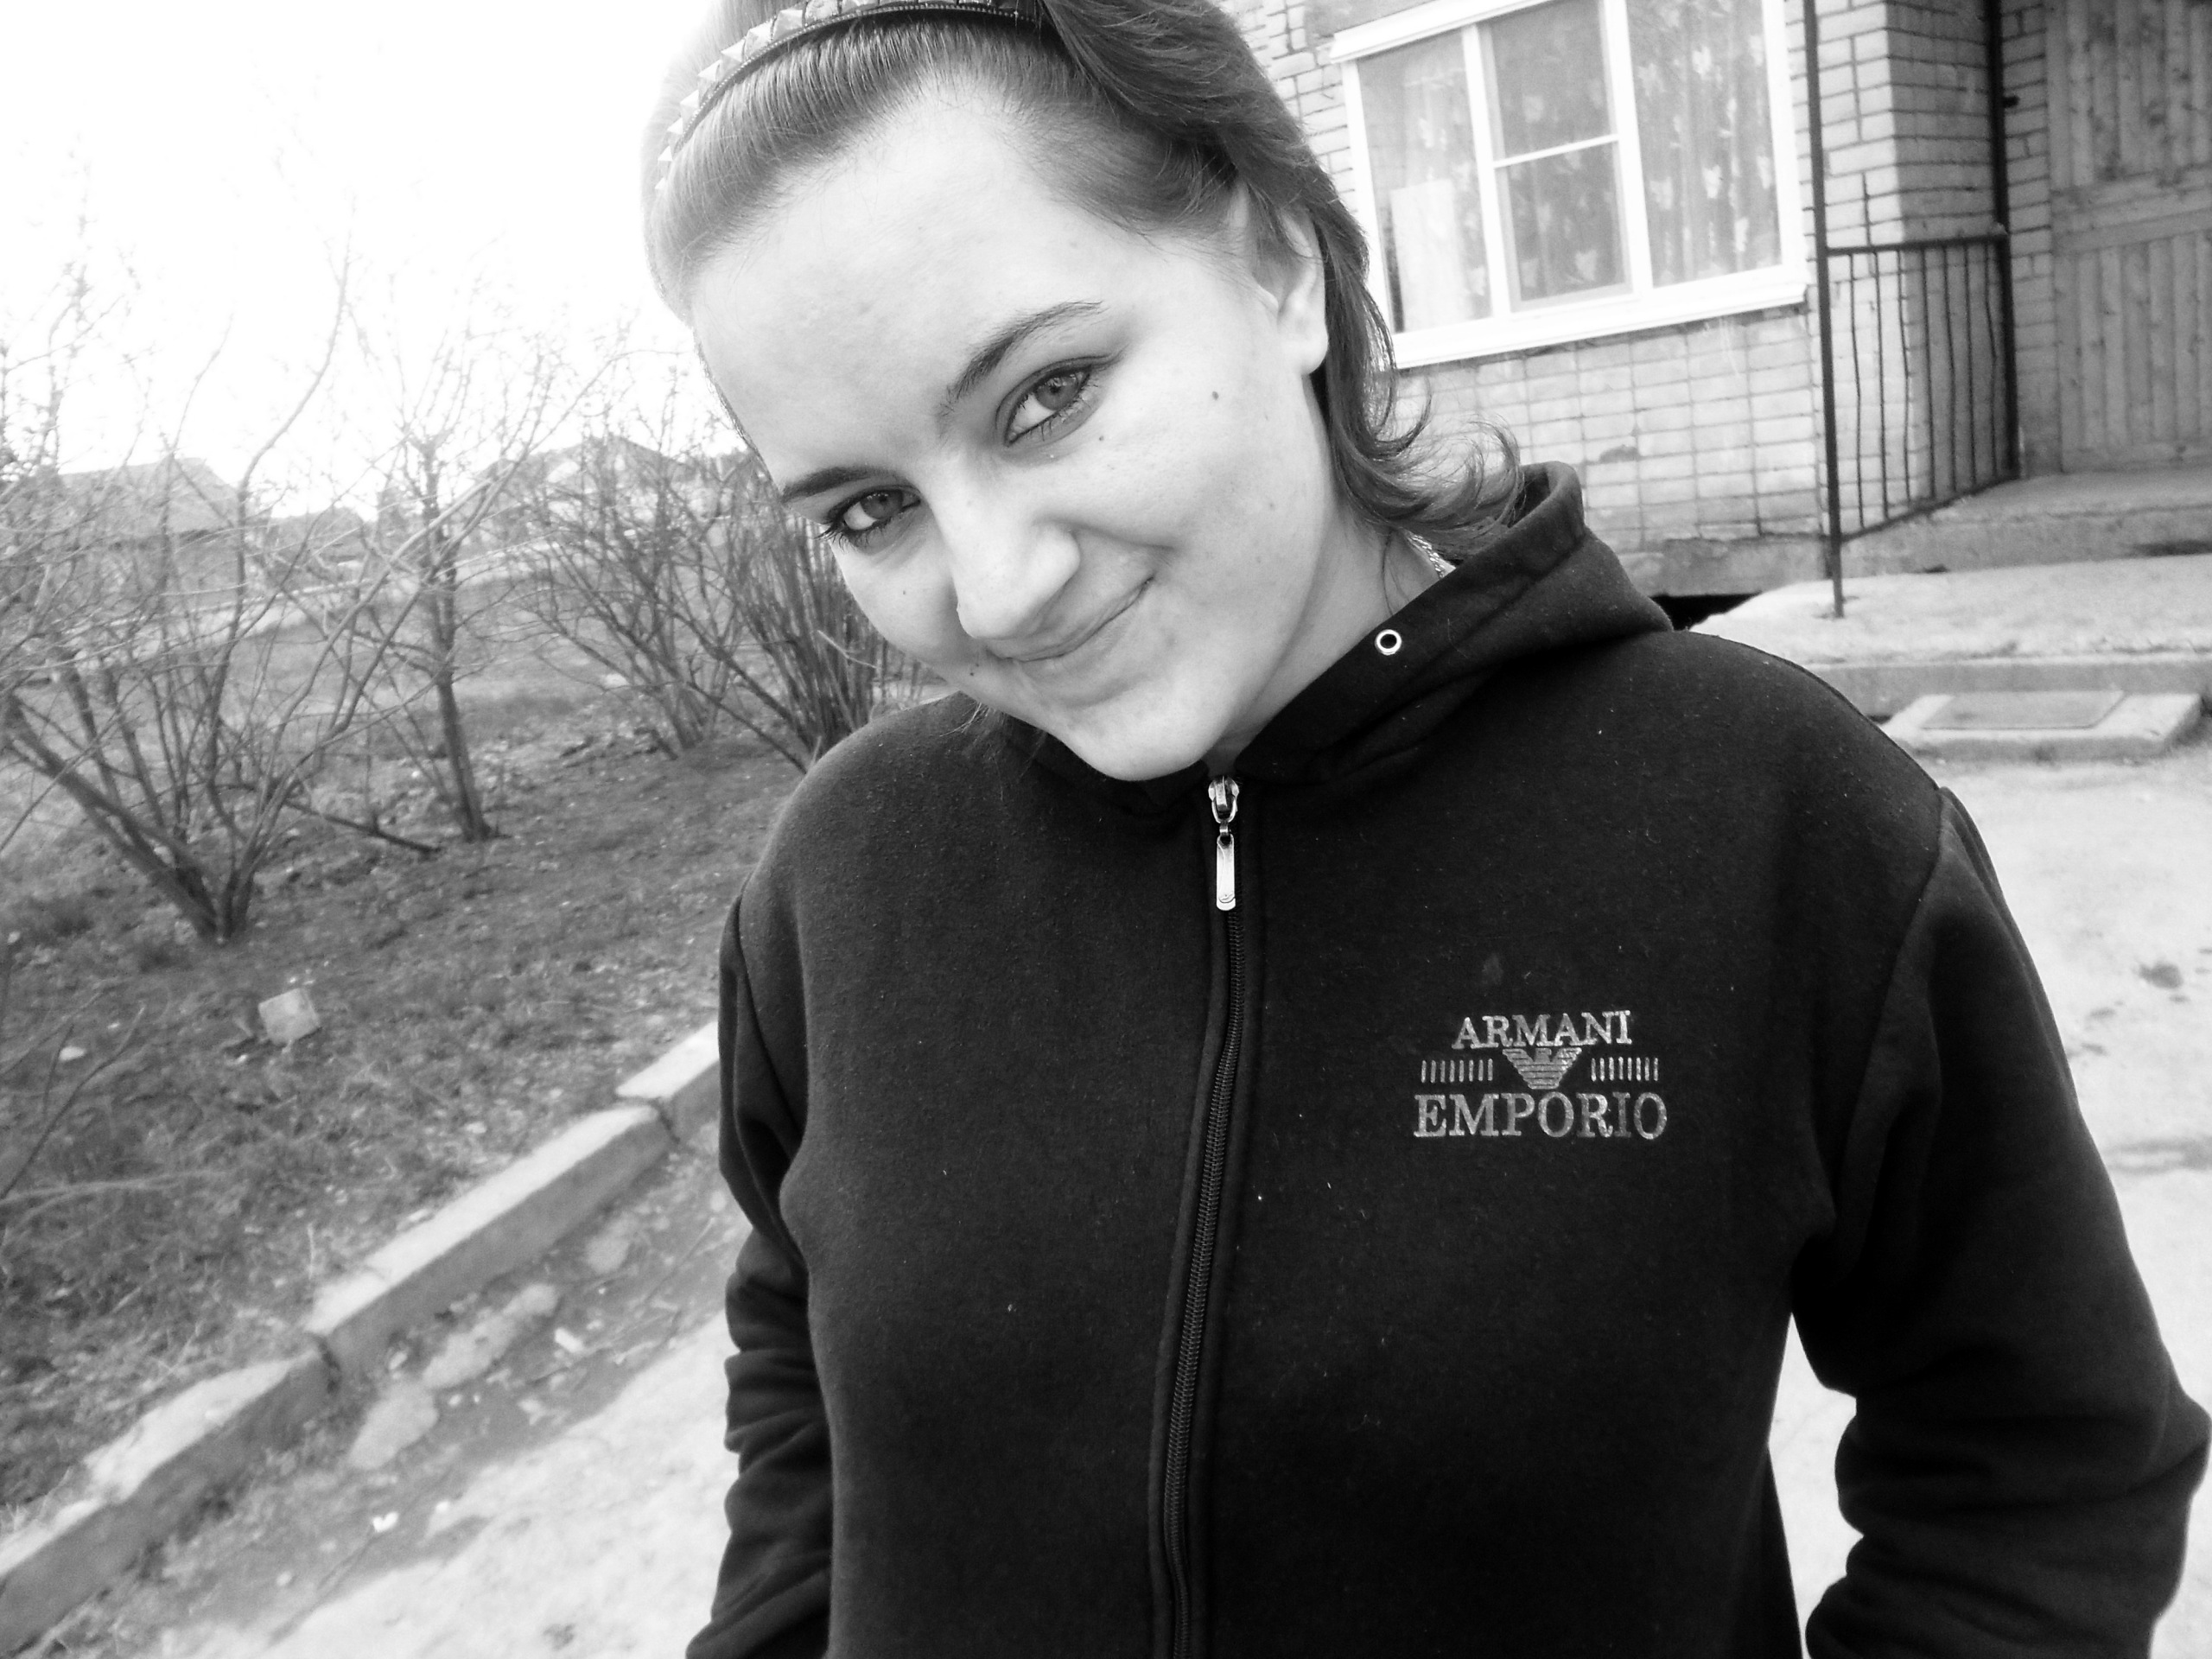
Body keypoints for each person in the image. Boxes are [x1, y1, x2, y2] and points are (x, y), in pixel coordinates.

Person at [640, 2, 2209, 1654]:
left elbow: (2044, 1460)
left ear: (1279, 265)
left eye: (1046, 398)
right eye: (868, 510)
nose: (995, 587)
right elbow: (799, 1352)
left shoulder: (1771, 823)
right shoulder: (840, 882)